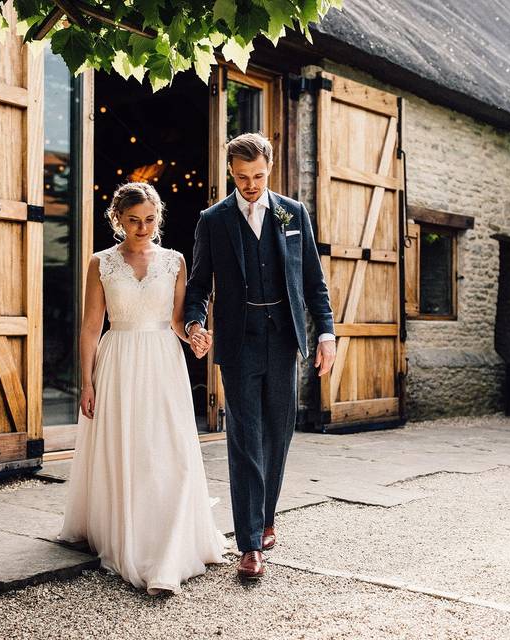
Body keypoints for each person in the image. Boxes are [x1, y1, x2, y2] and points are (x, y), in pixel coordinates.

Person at [58, 182, 226, 595]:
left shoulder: (174, 261)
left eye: (150, 220)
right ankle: (127, 532)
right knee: (127, 448)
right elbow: (91, 327)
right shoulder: (101, 263)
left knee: (168, 450)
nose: (142, 227)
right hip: (117, 360)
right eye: (133, 220)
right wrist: (87, 382)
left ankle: (170, 540)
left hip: (163, 362)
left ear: (159, 218)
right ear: (117, 219)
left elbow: (177, 321)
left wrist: (196, 335)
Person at [184, 132, 335, 580]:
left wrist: (326, 333)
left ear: (269, 169)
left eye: (258, 176)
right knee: (244, 437)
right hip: (238, 341)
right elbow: (198, 284)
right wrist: (195, 323)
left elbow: (313, 281)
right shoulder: (213, 220)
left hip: (284, 339)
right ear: (230, 173)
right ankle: (250, 543)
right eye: (242, 177)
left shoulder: (294, 213)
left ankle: (267, 515)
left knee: (279, 431)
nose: (250, 185)